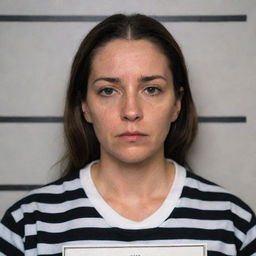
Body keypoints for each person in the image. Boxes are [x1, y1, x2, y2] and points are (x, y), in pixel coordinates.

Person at [0, 14, 255, 256]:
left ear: (177, 103)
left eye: (152, 89)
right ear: (85, 107)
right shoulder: (27, 226)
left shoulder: (232, 225)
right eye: (109, 91)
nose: (131, 111)